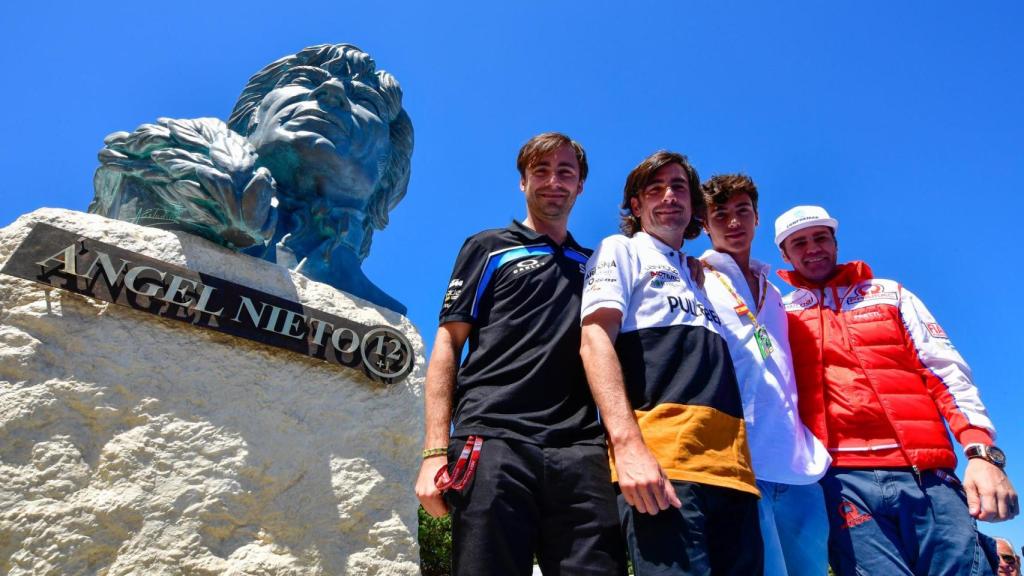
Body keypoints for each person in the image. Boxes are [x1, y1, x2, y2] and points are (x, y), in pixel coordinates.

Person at [414, 133, 626, 575]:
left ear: (581, 185)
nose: (553, 181)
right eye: (540, 171)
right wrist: (434, 452)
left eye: (565, 172)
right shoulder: (488, 247)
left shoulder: (597, 265)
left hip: (582, 449)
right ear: (522, 182)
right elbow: (448, 344)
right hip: (493, 440)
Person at [774, 205, 1019, 575]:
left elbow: (945, 371)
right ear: (785, 254)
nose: (813, 248)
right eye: (799, 242)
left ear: (836, 241)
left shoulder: (889, 294)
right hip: (841, 482)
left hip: (927, 475)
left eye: (821, 237)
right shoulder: (782, 311)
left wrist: (982, 454)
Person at [579, 151, 762, 575]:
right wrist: (627, 448)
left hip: (734, 472)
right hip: (664, 468)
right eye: (654, 189)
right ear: (636, 206)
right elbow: (593, 342)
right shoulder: (620, 249)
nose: (669, 196)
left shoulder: (704, 276)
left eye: (679, 187)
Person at [698, 175, 831, 576]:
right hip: (740, 465)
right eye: (720, 214)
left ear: (757, 218)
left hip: (799, 468)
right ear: (705, 226)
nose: (733, 222)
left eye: (743, 212)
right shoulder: (694, 276)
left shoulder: (775, 293)